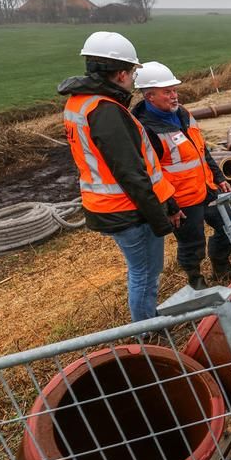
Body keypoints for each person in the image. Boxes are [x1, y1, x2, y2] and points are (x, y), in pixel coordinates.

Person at [58, 32, 184, 322]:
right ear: (122, 73)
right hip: (126, 209)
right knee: (144, 273)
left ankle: (147, 321)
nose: (132, 80)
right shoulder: (105, 110)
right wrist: (160, 218)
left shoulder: (79, 103)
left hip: (108, 205)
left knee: (142, 271)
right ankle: (146, 331)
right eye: (133, 73)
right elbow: (132, 175)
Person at [131, 61, 231, 290]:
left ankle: (220, 263)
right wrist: (170, 206)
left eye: (174, 90)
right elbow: (151, 174)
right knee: (192, 243)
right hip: (181, 200)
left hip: (208, 188)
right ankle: (196, 279)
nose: (174, 96)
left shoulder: (184, 114)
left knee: (230, 225)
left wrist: (219, 177)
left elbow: (201, 150)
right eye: (167, 92)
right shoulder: (145, 130)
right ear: (150, 96)